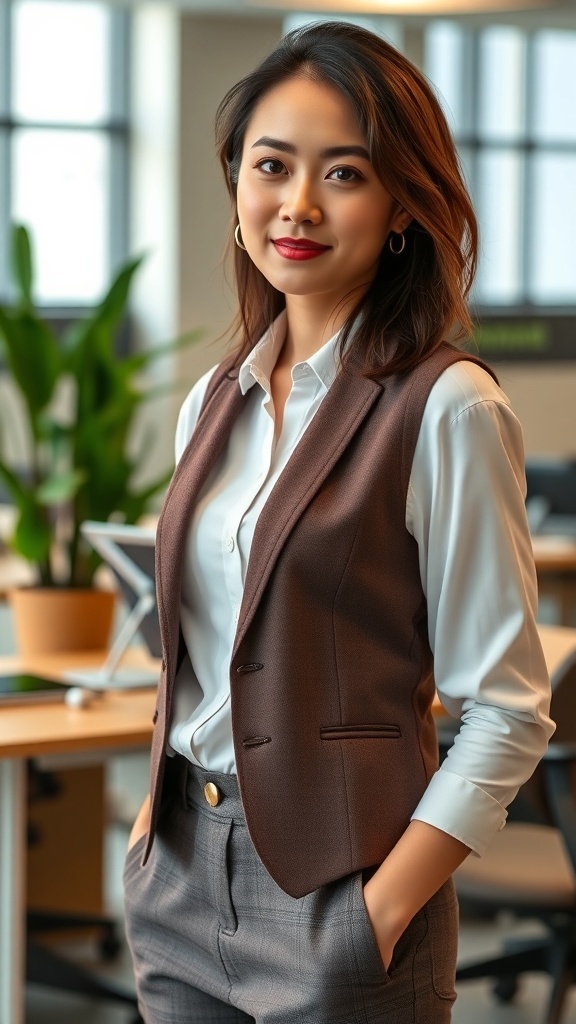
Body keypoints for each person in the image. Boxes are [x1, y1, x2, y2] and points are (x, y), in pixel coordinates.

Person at [123, 20, 554, 1023]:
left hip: (342, 895)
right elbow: (197, 650)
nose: (298, 204)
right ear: (236, 189)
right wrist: (153, 831)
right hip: (181, 877)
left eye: (346, 174)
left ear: (403, 205)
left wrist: (381, 912)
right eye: (271, 165)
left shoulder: (446, 407)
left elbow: (506, 707)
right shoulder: (211, 402)